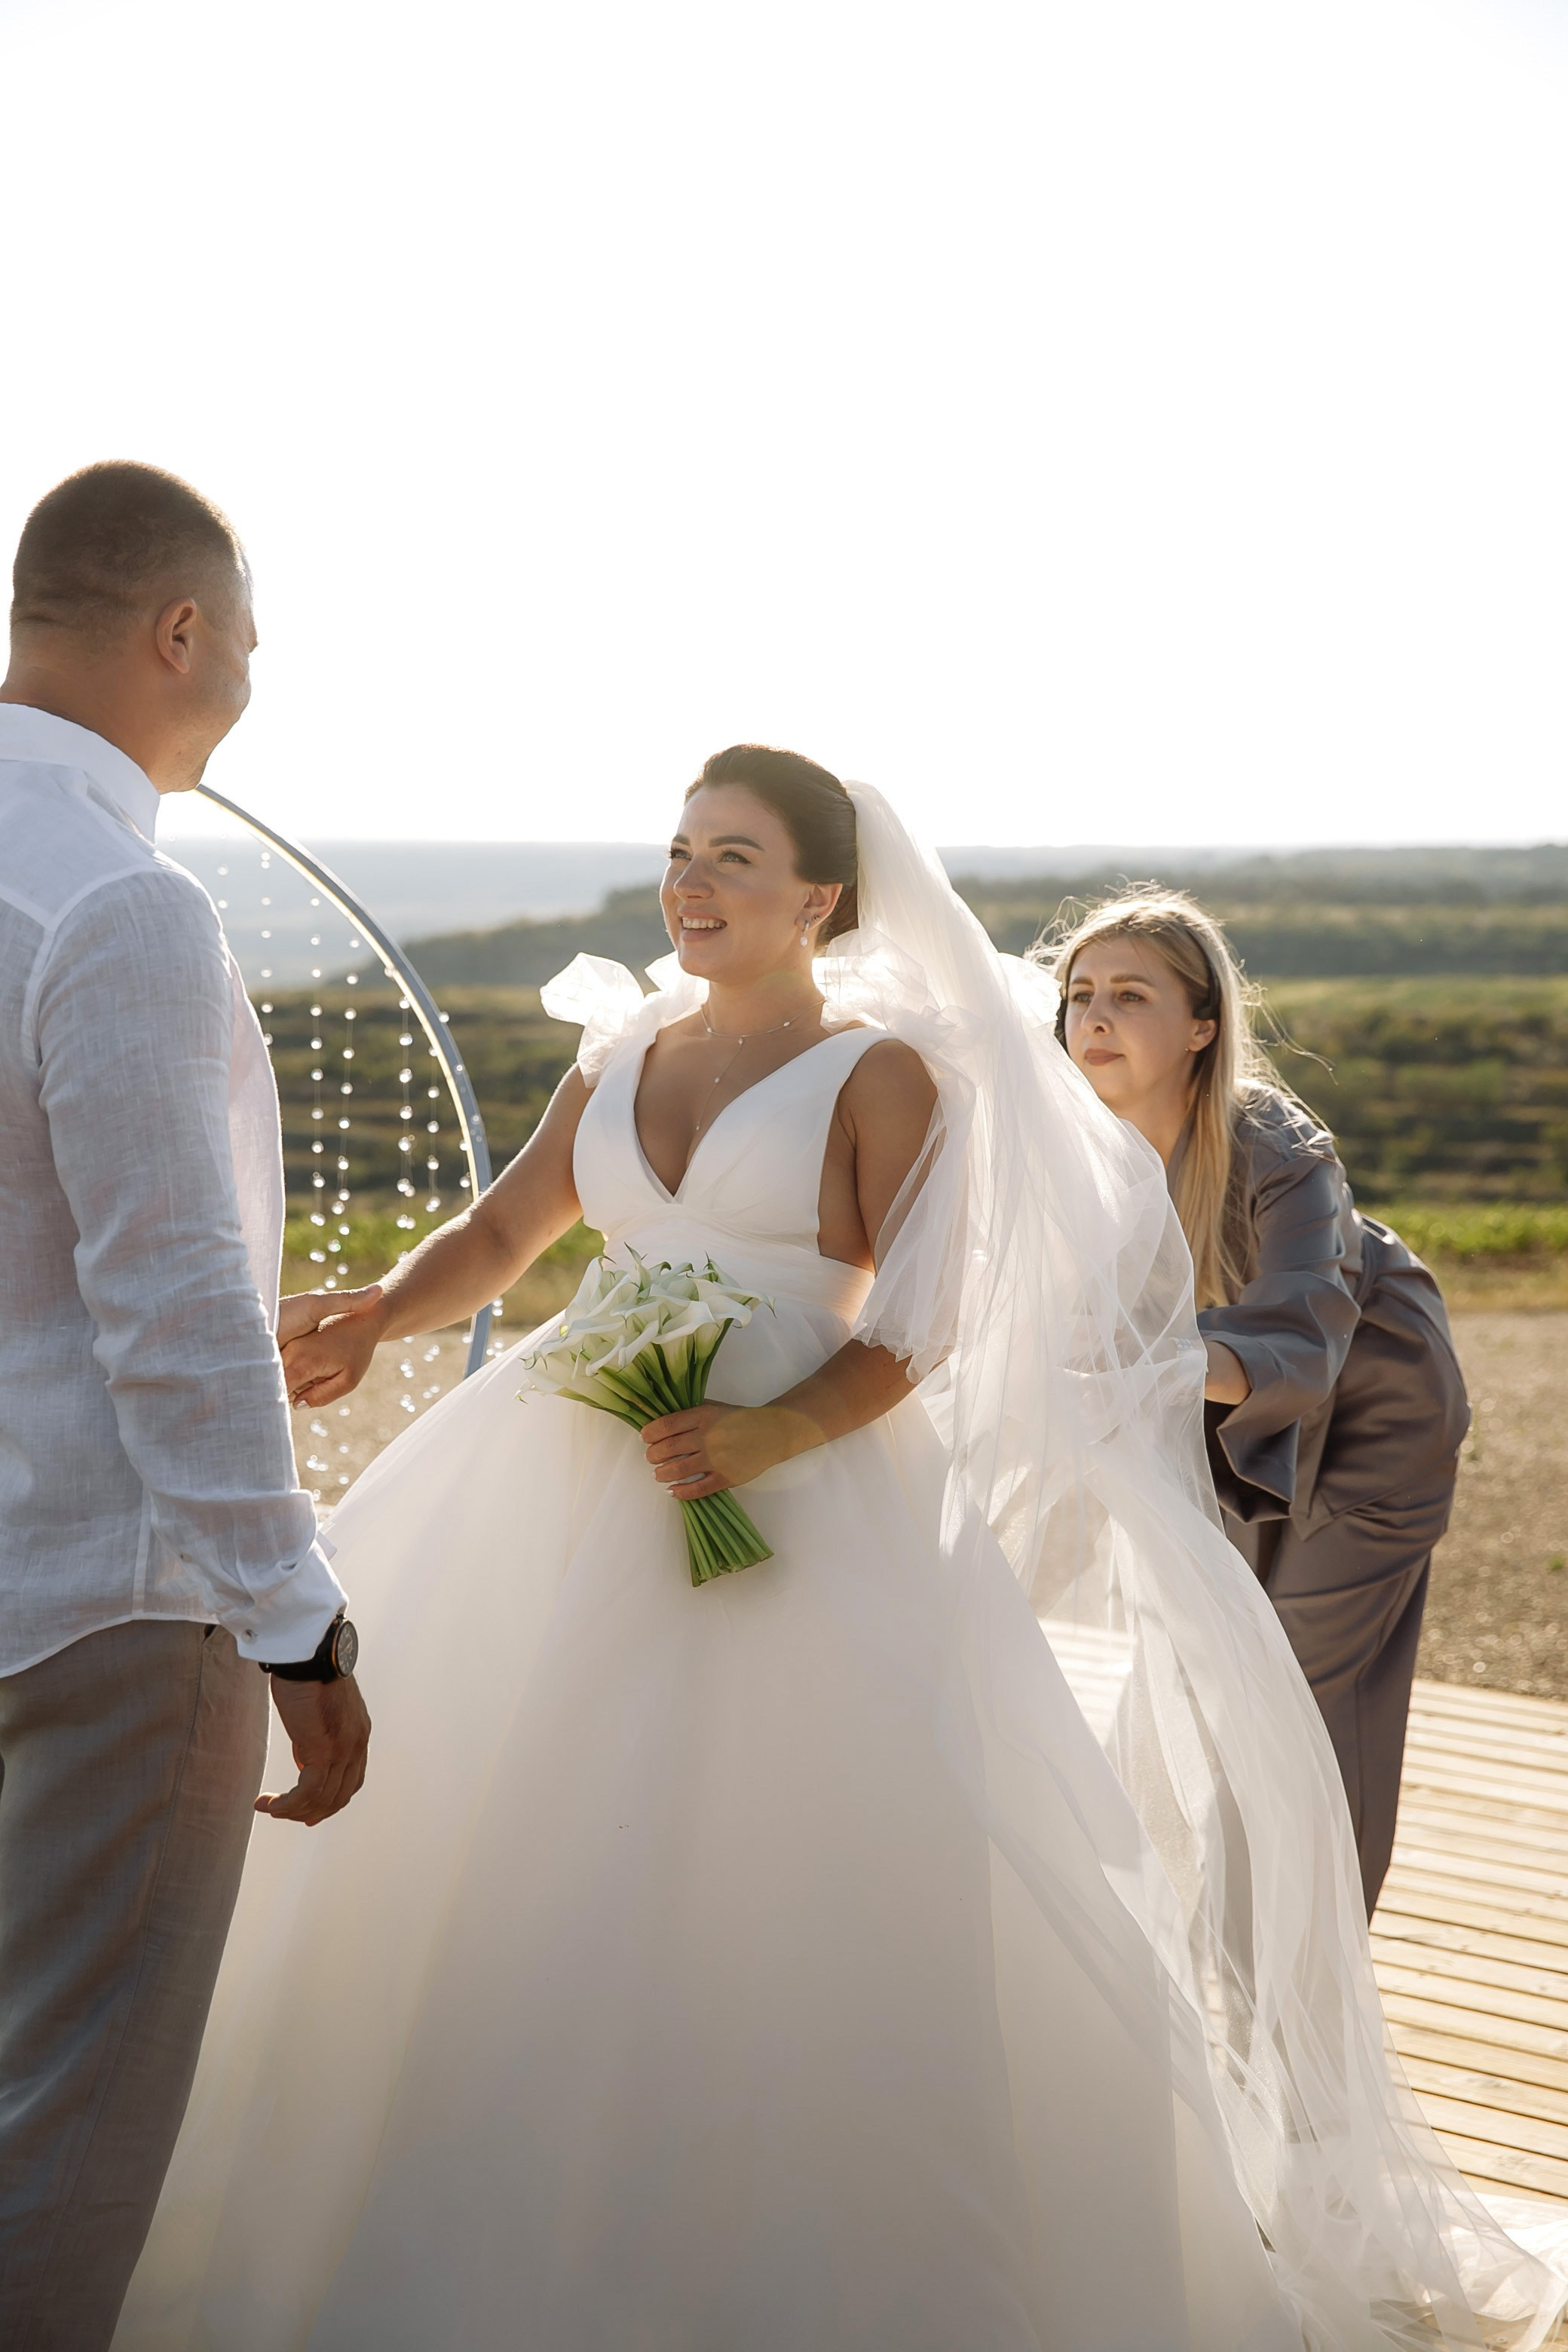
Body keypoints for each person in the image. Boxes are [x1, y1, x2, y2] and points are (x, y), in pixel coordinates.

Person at [117, 749, 1557, 2348]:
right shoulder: (620, 1045)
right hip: (567, 1452)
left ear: (819, 896)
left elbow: (927, 1319)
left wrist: (764, 1437)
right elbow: (507, 1233)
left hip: (794, 1482)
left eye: (732, 855)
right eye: (678, 850)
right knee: (488, 1819)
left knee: (770, 1851)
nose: (691, 882)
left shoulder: (883, 1074)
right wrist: (386, 1305)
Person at [0, 463, 372, 2351]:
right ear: (179, 635)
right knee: (57, 2149)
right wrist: (296, 1620)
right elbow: (174, 1307)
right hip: (105, 1611)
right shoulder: (116, 903)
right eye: (245, 631)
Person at [1051, 888, 1468, 1914]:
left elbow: (1302, 1344)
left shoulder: (1279, 1149)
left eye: (1130, 995)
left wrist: (1136, 1354)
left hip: (1372, 1413)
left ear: (1203, 1027)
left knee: (1302, 1698)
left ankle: (1305, 1997)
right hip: (1226, 1426)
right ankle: (1218, 1976)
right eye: (1081, 994)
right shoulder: (1071, 1154)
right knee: (1212, 1670)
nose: (1096, 1016)